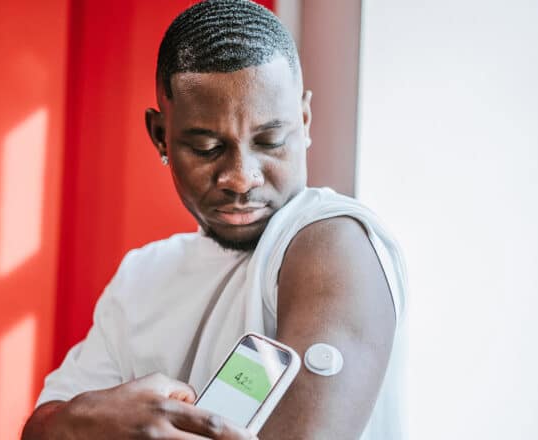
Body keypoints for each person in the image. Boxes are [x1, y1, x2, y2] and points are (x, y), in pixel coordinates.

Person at [22, 1, 407, 439]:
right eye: (206, 148)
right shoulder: (141, 276)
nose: (242, 178)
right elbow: (39, 429)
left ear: (304, 119)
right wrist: (81, 421)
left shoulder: (333, 240)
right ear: (160, 135)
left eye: (271, 140)